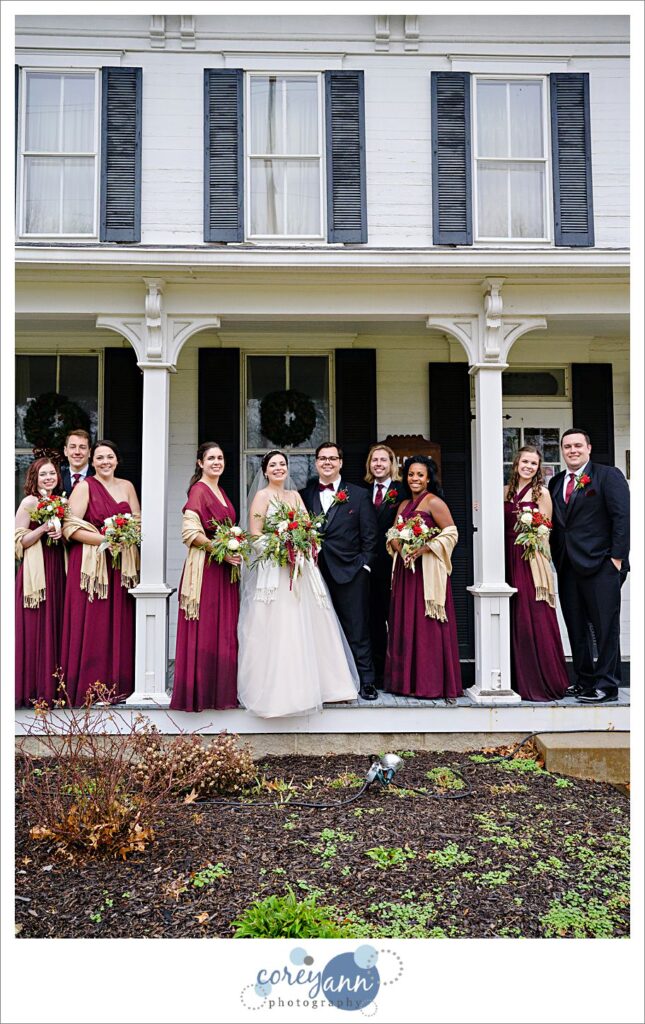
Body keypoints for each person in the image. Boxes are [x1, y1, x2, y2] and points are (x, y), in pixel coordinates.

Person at [237, 449, 359, 718]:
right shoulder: (262, 496)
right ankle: (280, 693)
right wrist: (280, 545)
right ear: (265, 471)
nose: (279, 468)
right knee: (280, 625)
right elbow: (255, 534)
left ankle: (329, 687)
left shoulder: (295, 496)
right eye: (273, 465)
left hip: (300, 569)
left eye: (283, 464)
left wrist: (304, 541)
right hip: (275, 569)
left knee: (312, 622)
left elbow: (307, 526)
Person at [548, 428, 630, 704]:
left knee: (605, 627)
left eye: (577, 445)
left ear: (589, 448)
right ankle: (584, 681)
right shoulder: (556, 482)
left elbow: (622, 518)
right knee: (576, 626)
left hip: (601, 564)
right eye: (567, 446)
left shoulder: (608, 476)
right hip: (567, 565)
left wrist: (616, 558)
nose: (572, 450)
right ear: (562, 450)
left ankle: (607, 685)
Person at [60, 440, 140, 705]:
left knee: (119, 624)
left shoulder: (127, 486)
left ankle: (117, 688)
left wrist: (128, 532)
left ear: (117, 460)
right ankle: (89, 689)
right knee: (94, 625)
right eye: (100, 458)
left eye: (110, 457)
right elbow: (69, 528)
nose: (105, 462)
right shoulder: (84, 487)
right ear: (92, 462)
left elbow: (138, 520)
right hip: (92, 569)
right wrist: (104, 540)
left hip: (121, 567)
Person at [300, 442, 379, 700]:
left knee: (357, 627)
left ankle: (366, 680)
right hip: (314, 573)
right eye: (322, 458)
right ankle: (327, 682)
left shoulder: (357, 495)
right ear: (316, 463)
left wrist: (364, 566)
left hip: (351, 572)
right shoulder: (304, 495)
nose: (327, 463)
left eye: (332, 458)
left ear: (341, 463)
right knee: (319, 628)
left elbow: (370, 535)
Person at [384, 455, 462, 700]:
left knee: (426, 626)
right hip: (405, 572)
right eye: (411, 474)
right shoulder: (404, 503)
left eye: (420, 475)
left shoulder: (434, 503)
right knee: (405, 624)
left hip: (426, 574)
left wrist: (424, 548)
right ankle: (404, 683)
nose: (414, 479)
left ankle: (430, 684)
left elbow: (451, 533)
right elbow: (393, 532)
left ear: (428, 478)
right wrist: (400, 547)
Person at [170, 442, 240, 712]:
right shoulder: (199, 491)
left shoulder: (220, 490)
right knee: (208, 628)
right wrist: (221, 551)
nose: (216, 462)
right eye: (211, 458)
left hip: (224, 571)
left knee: (223, 629)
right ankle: (201, 693)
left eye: (220, 458)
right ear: (200, 463)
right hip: (206, 571)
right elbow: (190, 533)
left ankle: (220, 691)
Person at [504, 446, 569, 702]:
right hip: (508, 559)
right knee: (513, 617)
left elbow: (546, 529)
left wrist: (531, 536)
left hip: (530, 558)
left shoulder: (541, 493)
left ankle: (544, 681)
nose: (529, 466)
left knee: (533, 615)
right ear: (516, 463)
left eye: (534, 463)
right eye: (525, 461)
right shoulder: (504, 492)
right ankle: (516, 679)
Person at [15, 458, 67, 707]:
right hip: (36, 571)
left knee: (55, 624)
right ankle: (33, 689)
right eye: (43, 474)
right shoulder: (29, 502)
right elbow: (18, 541)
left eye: (52, 473)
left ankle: (54, 689)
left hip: (57, 566)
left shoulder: (61, 502)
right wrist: (44, 528)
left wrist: (60, 533)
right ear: (34, 478)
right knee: (36, 626)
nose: (49, 477)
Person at [363, 443, 405, 688]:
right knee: (373, 620)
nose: (378, 464)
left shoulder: (401, 491)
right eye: (374, 460)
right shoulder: (361, 491)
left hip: (394, 564)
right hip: (368, 568)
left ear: (392, 464)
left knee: (397, 618)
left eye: (383, 460)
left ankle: (398, 673)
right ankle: (377, 673)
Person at [61, 429, 94, 495]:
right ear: (65, 451)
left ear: (90, 452)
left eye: (82, 447)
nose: (77, 452)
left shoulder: (98, 477)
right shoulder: (58, 478)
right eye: (72, 447)